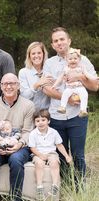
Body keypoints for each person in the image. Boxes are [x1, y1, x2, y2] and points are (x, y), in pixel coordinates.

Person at [43, 27, 98, 189]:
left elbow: (95, 85)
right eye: (56, 41)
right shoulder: (49, 63)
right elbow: (46, 88)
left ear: (69, 41)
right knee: (61, 153)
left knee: (78, 154)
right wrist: (65, 99)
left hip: (77, 116)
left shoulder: (83, 60)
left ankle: (80, 187)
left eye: (62, 39)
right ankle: (66, 187)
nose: (59, 43)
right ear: (53, 45)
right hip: (56, 115)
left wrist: (80, 76)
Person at [0, 73, 35, 201]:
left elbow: (27, 131)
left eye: (12, 83)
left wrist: (19, 145)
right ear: (1, 86)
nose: (9, 86)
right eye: (5, 84)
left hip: (20, 144)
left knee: (16, 159)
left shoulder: (28, 105)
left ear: (18, 85)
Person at [28, 109, 72, 201]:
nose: (41, 123)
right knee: (39, 164)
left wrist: (67, 156)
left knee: (54, 162)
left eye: (43, 120)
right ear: (35, 123)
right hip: (38, 153)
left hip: (51, 153)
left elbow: (59, 145)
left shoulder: (54, 132)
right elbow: (32, 148)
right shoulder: (33, 133)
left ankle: (55, 185)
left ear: (48, 121)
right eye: (38, 121)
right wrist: (40, 155)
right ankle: (39, 187)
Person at [52, 48, 96, 117]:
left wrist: (95, 78)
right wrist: (55, 85)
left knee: (84, 94)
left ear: (79, 59)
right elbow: (60, 78)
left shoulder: (81, 68)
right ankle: (63, 107)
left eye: (75, 59)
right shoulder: (66, 69)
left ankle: (83, 110)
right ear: (67, 60)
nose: (73, 61)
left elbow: (88, 75)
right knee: (65, 94)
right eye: (70, 59)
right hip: (70, 87)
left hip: (79, 87)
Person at [18, 42, 52, 110]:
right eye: (33, 53)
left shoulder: (50, 70)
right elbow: (24, 96)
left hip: (48, 114)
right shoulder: (23, 72)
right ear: (29, 56)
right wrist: (37, 85)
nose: (36, 56)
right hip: (30, 113)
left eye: (39, 53)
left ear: (43, 54)